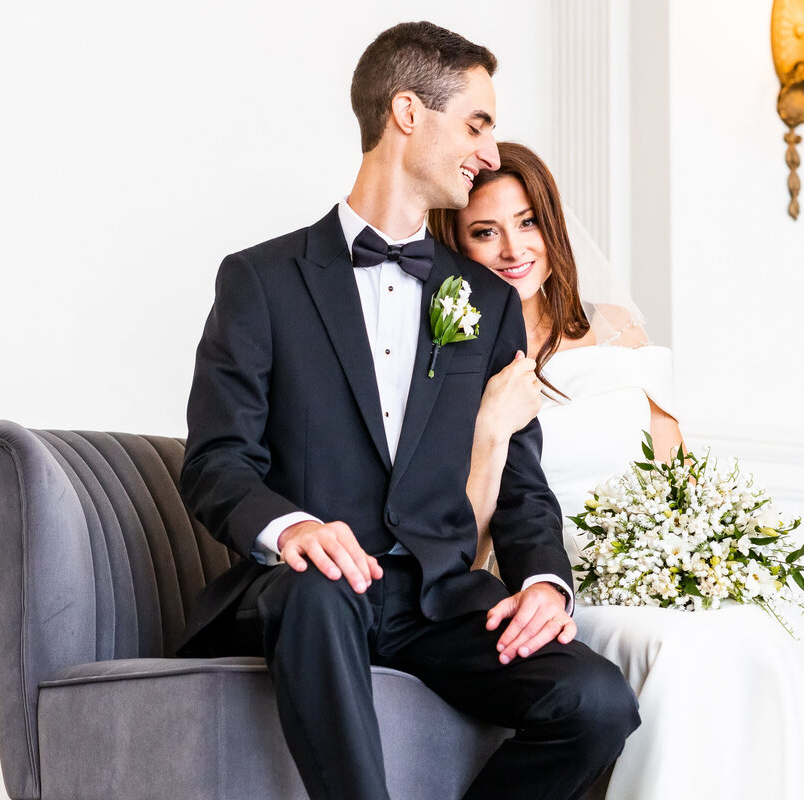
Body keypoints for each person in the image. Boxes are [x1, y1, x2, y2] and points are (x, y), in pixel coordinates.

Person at [177, 22, 639, 800]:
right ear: (407, 113)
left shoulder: (485, 301)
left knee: (597, 703)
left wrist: (544, 586)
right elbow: (217, 461)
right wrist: (294, 529)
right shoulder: (260, 281)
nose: (489, 153)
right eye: (477, 124)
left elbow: (522, 487)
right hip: (309, 591)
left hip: (437, 602)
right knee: (322, 590)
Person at [430, 141, 804, 800]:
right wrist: (491, 427)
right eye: (485, 232)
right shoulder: (454, 362)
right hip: (559, 587)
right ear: (457, 247)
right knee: (683, 652)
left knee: (753, 636)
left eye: (528, 222)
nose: (514, 247)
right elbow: (467, 542)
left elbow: (673, 472)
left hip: (645, 573)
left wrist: (691, 554)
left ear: (552, 225)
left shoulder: (614, 328)